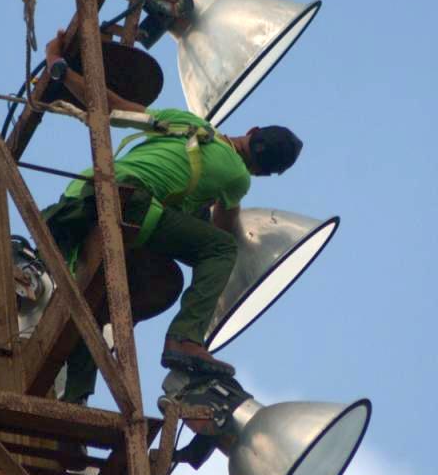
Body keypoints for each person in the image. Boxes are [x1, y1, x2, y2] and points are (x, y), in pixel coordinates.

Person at [42, 30, 303, 408]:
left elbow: (111, 106)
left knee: (91, 304)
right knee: (220, 249)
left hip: (81, 199)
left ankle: (75, 397)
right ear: (264, 173)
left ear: (252, 130)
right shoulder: (237, 178)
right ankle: (184, 340)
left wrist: (59, 68)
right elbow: (220, 236)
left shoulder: (188, 123)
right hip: (131, 205)